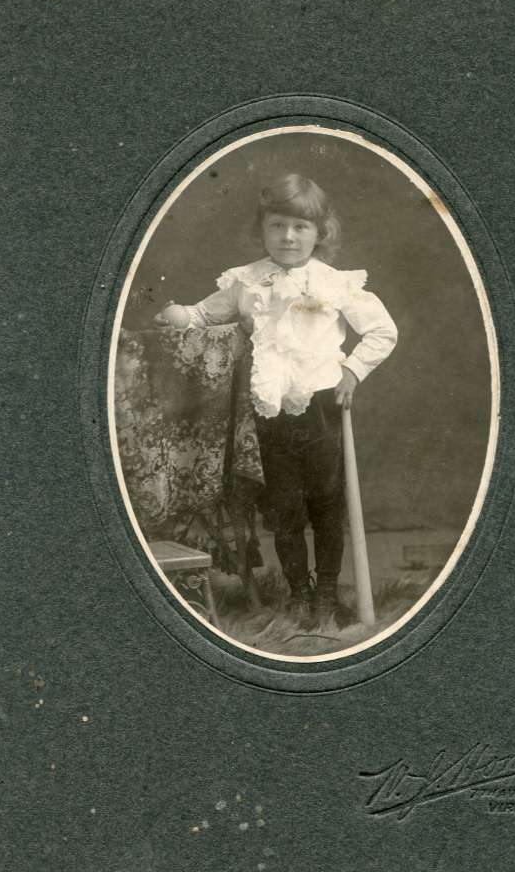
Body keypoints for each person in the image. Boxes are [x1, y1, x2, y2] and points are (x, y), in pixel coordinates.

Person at [155, 173, 397, 628]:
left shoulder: (334, 283)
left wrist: (351, 371)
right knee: (284, 507)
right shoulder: (246, 281)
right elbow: (207, 313)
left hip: (323, 404)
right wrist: (179, 314)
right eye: (278, 226)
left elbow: (383, 331)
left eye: (300, 227)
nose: (288, 237)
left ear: (319, 232)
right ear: (262, 229)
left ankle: (327, 591)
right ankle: (299, 591)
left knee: (326, 503)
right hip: (267, 410)